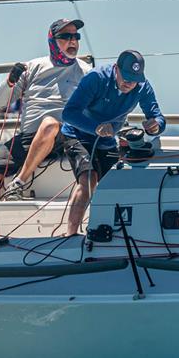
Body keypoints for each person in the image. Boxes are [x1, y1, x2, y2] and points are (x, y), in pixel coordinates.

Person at [0, 18, 91, 218]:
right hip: (29, 138)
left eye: (76, 36)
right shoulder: (33, 67)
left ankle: (18, 183)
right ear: (52, 40)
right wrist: (11, 81)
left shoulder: (85, 72)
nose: (73, 41)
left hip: (66, 137)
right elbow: (0, 103)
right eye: (66, 36)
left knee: (49, 124)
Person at [61, 50, 166, 236]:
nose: (129, 83)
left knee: (116, 184)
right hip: (77, 133)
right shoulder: (96, 78)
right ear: (115, 69)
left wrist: (155, 126)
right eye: (125, 77)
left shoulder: (142, 86)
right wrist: (95, 127)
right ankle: (70, 235)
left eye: (134, 79)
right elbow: (69, 113)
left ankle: (114, 234)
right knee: (88, 179)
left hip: (107, 139)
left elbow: (157, 117)